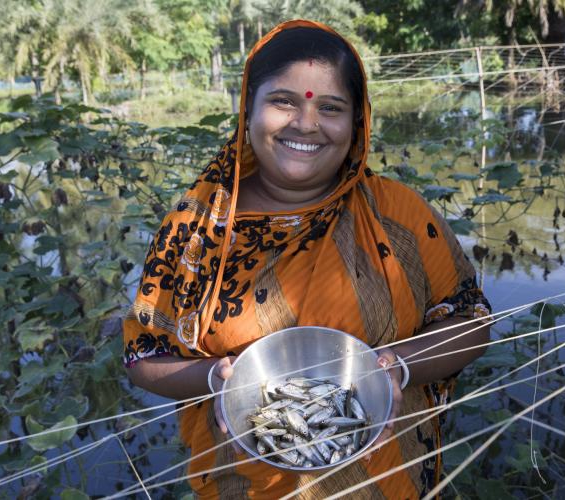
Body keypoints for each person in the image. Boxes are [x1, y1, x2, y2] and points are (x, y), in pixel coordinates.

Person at [123, 19, 491, 499]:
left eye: (331, 108)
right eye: (283, 102)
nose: (306, 124)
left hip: (391, 480)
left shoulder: (397, 214)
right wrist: (216, 378)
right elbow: (144, 355)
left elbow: (470, 320)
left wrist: (395, 369)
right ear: (248, 109)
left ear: (357, 121)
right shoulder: (195, 229)